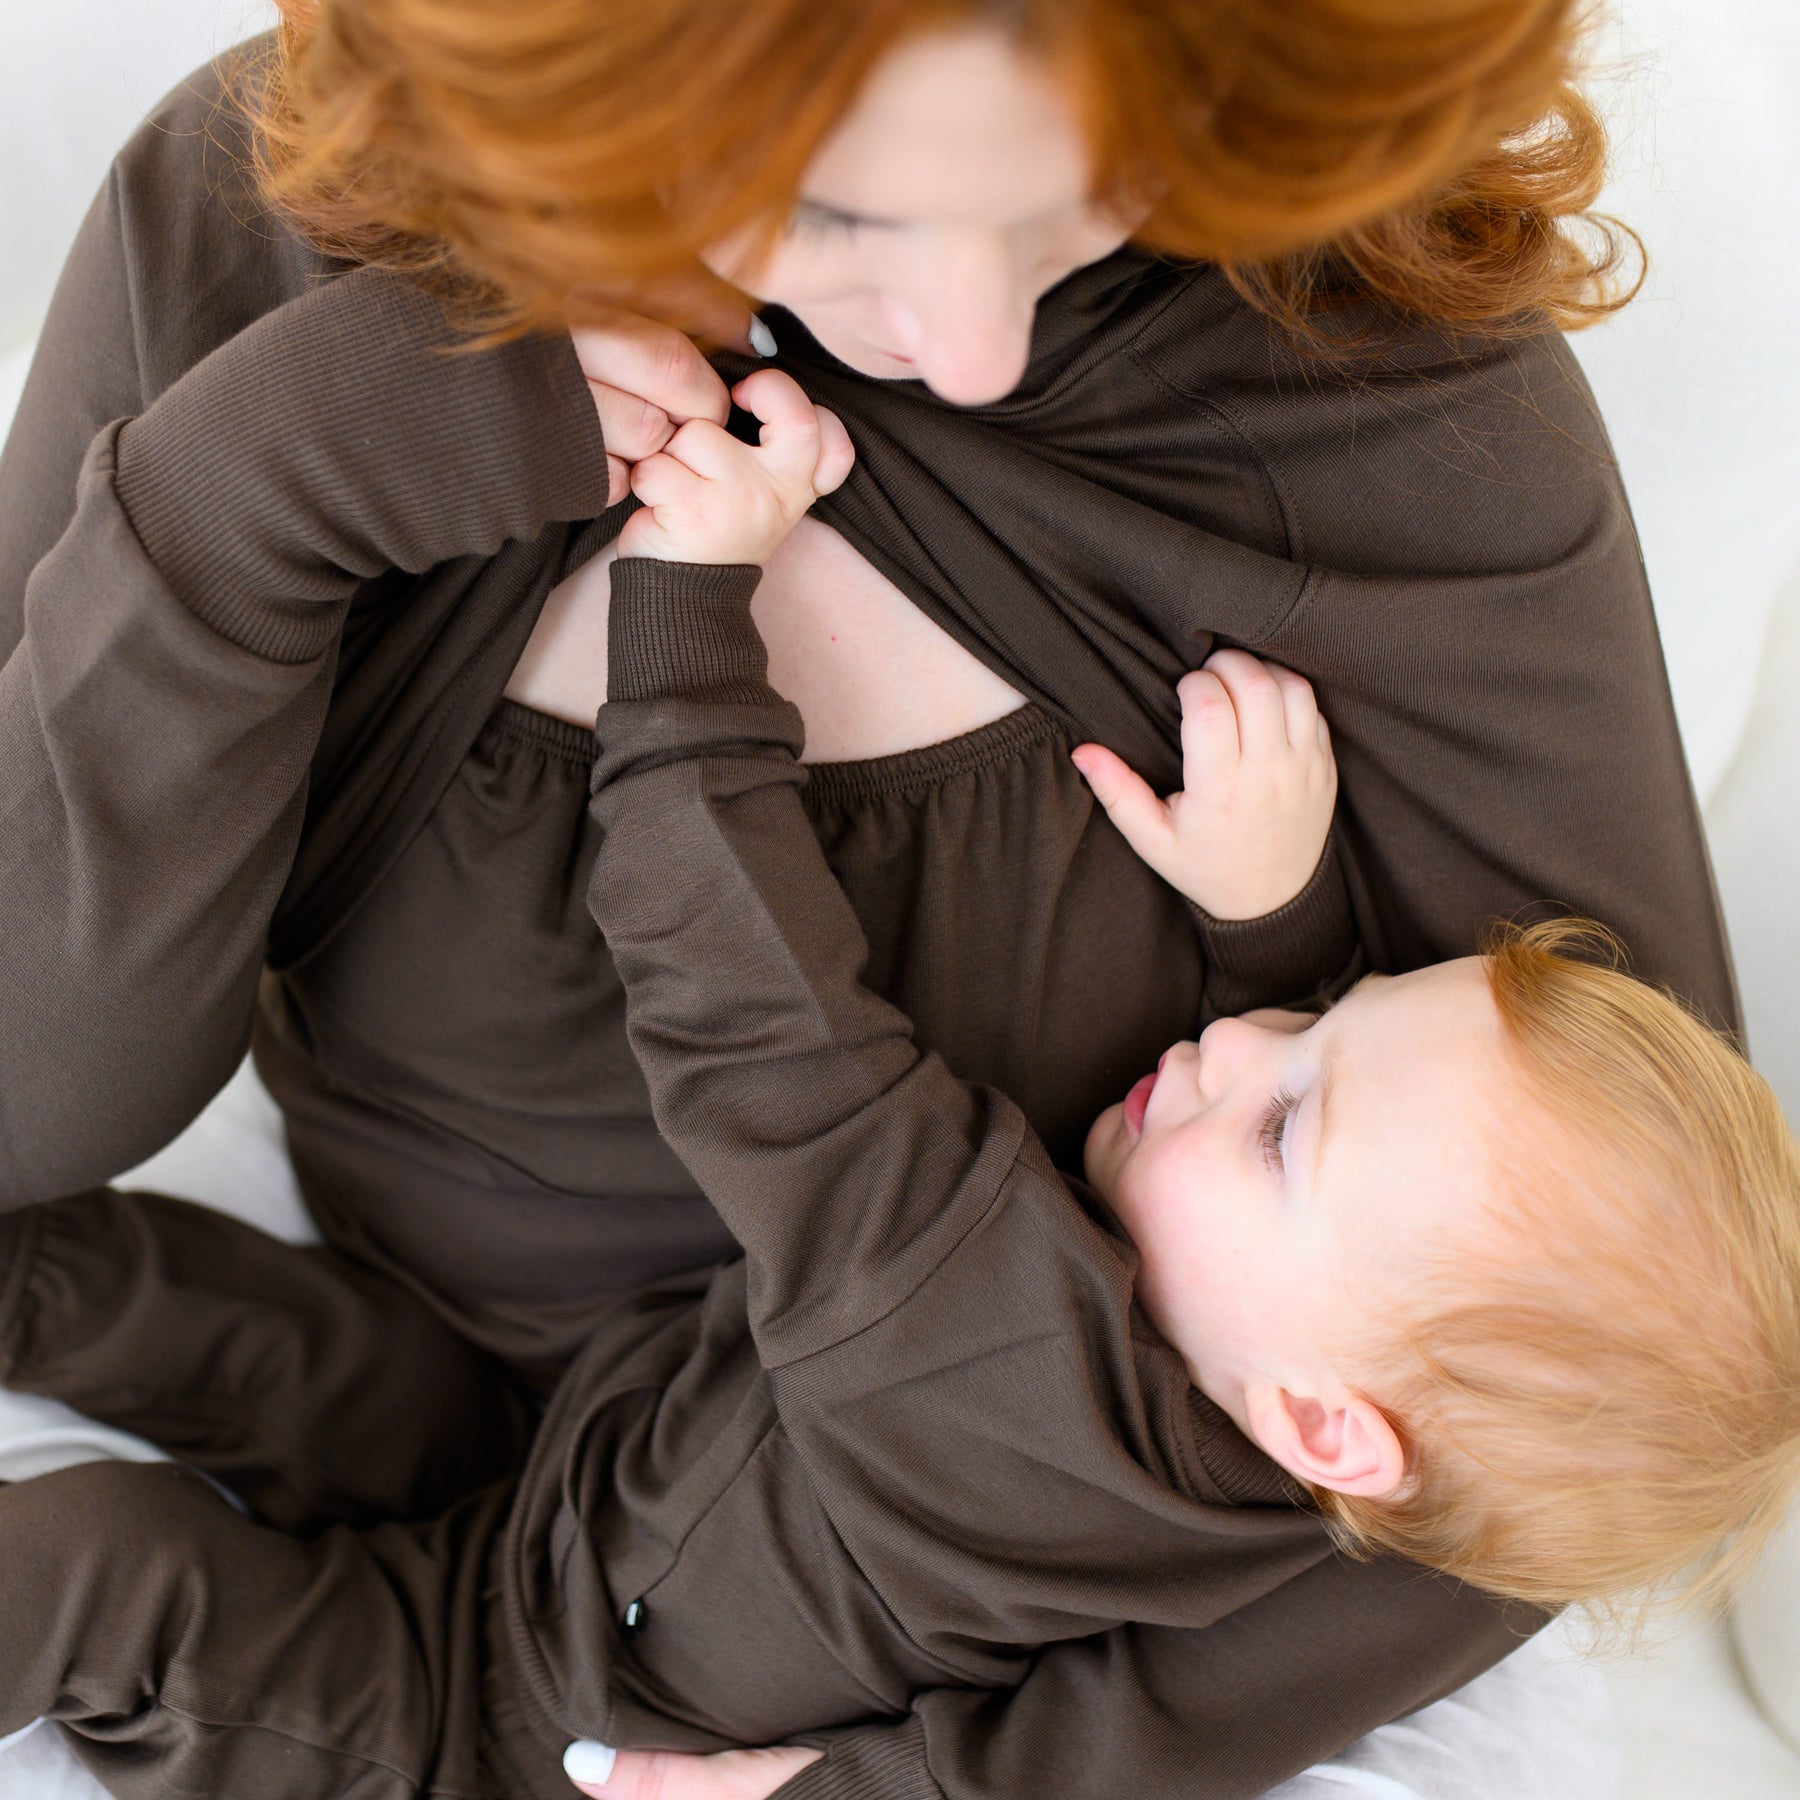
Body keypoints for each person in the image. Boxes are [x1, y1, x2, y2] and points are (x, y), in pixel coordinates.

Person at [0, 3, 1740, 1796]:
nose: (969, 353)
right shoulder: (262, 220)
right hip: (437, 1380)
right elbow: (27, 1103)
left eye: (1093, 193)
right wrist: (248, 495)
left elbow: (1571, 1388)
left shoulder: (1383, 380)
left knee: (98, 1581)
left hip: (560, 1655)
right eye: (838, 212)